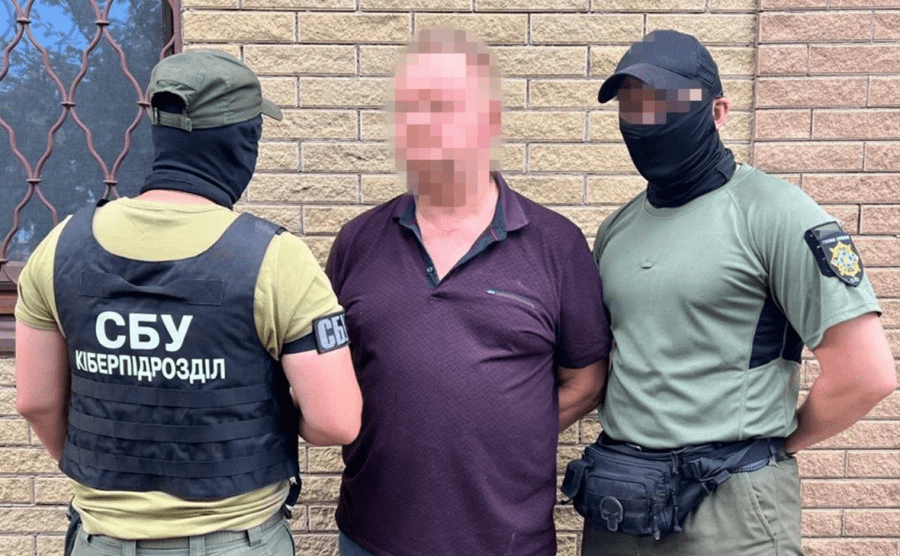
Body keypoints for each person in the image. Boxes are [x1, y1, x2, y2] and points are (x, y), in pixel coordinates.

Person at [15, 49, 362, 556]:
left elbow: (35, 401)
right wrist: (257, 417)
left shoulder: (59, 248)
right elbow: (337, 420)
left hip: (101, 540)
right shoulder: (274, 258)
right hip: (236, 544)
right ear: (242, 142)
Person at [578, 29, 896, 555]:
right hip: (621, 504)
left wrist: (768, 452)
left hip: (730, 511)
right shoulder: (617, 230)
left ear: (718, 111)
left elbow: (867, 375)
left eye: (665, 102)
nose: (646, 120)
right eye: (632, 106)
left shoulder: (775, 213)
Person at [325, 28, 612, 556]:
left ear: (491, 120)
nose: (423, 124)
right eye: (409, 109)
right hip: (372, 537)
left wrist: (508, 431)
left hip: (507, 542)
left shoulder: (556, 245)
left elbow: (587, 381)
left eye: (443, 106)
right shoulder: (358, 242)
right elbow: (331, 377)